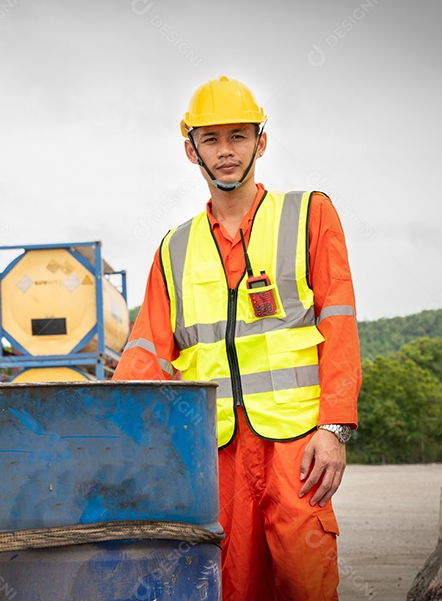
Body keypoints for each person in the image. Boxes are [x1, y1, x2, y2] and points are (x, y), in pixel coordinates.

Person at [113, 76, 362, 600]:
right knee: (230, 587)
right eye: (211, 139)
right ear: (192, 151)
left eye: (238, 136)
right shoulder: (174, 248)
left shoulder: (308, 215)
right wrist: (118, 441)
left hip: (297, 449)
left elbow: (339, 322)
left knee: (306, 583)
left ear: (260, 142)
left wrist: (335, 428)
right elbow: (145, 354)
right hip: (216, 454)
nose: (225, 151)